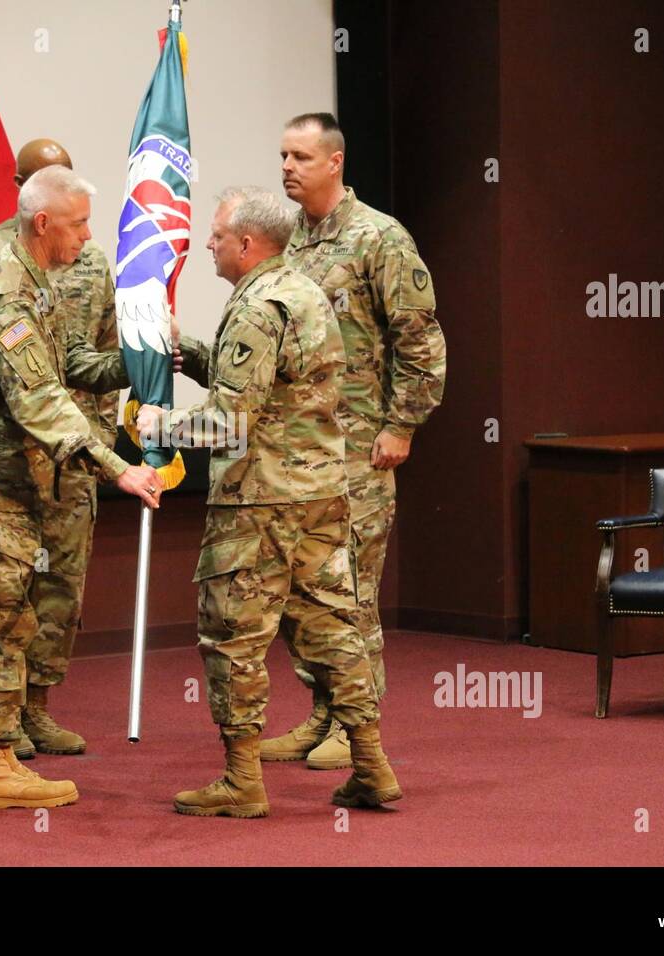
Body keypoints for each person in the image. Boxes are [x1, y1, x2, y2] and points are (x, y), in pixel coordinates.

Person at [139, 187, 402, 817]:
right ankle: (371, 763)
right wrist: (194, 354)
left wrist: (160, 427)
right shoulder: (304, 290)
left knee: (233, 636)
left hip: (258, 504)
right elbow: (284, 387)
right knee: (332, 627)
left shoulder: (257, 307)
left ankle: (240, 779)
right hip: (318, 494)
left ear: (248, 243)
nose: (208, 243)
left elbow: (232, 421)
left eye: (217, 235)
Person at [0, 165, 162, 809]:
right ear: (42, 223)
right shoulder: (7, 293)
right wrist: (119, 467)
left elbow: (71, 370)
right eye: (80, 223)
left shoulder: (31, 281)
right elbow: (40, 400)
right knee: (0, 622)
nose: (88, 236)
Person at [261, 112, 446, 770]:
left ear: (334, 162)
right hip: (295, 452)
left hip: (360, 450)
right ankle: (321, 712)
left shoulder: (379, 239)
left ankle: (356, 725)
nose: (287, 167)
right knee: (297, 595)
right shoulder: (288, 241)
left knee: (351, 592)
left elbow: (419, 338)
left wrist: (402, 423)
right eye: (282, 155)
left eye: (300, 157)